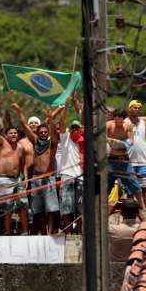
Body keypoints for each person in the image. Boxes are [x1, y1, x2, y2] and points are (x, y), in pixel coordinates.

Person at [12, 103, 61, 234]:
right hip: (35, 179)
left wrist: (50, 119)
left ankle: (50, 232)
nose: (43, 133)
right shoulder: (35, 141)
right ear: (38, 133)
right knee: (38, 210)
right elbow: (24, 125)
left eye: (45, 132)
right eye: (41, 132)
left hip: (48, 178)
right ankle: (43, 233)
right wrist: (19, 111)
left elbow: (55, 134)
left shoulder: (52, 144)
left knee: (51, 209)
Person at [0, 105, 27, 235]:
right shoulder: (1, 142)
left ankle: (25, 231)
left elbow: (23, 164)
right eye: (11, 133)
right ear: (6, 135)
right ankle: (8, 231)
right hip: (4, 178)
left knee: (23, 205)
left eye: (15, 133)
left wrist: (25, 177)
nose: (13, 135)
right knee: (7, 207)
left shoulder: (21, 147)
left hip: (18, 179)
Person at [124, 99, 146, 214]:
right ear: (130, 109)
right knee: (130, 190)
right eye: (135, 107)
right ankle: (133, 214)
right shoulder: (125, 122)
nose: (137, 109)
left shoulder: (143, 123)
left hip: (143, 161)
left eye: (138, 108)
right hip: (130, 162)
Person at [106, 109, 144, 213]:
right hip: (111, 160)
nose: (118, 119)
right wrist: (111, 141)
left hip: (124, 161)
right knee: (105, 187)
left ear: (123, 119)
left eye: (120, 117)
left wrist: (122, 143)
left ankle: (142, 208)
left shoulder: (128, 126)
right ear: (114, 118)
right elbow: (101, 137)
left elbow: (131, 141)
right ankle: (102, 209)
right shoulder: (109, 125)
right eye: (116, 117)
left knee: (135, 185)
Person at [56, 98, 84, 234]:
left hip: (81, 177)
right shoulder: (65, 138)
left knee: (80, 209)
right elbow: (61, 122)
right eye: (73, 127)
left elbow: (84, 118)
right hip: (67, 176)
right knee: (66, 208)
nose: (75, 130)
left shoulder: (84, 141)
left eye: (77, 128)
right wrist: (66, 105)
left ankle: (79, 234)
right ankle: (67, 234)